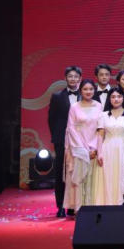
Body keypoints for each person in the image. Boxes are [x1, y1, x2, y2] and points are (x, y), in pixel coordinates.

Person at [62, 78, 102, 214]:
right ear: (81, 91)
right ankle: (79, 208)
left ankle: (92, 207)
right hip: (78, 149)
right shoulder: (74, 107)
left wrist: (95, 148)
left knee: (93, 179)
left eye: (91, 89)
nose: (88, 91)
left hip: (94, 149)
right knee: (79, 179)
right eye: (85, 89)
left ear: (94, 90)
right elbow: (71, 129)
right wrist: (82, 150)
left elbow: (100, 128)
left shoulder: (99, 106)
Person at [48, 65, 81, 217]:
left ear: (80, 78)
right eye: (70, 76)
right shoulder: (57, 97)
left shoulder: (85, 95)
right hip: (62, 140)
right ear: (65, 78)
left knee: (77, 172)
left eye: (76, 76)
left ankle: (73, 205)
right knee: (61, 172)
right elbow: (51, 119)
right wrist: (57, 137)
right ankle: (61, 206)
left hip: (81, 140)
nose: (73, 79)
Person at [94, 89, 124, 206]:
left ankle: (121, 204)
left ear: (123, 98)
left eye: (119, 96)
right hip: (107, 148)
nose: (116, 99)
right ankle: (108, 204)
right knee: (108, 176)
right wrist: (99, 153)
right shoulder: (103, 115)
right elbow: (100, 135)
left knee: (122, 176)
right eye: (113, 97)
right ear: (109, 99)